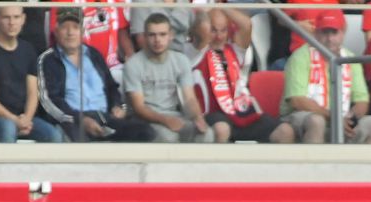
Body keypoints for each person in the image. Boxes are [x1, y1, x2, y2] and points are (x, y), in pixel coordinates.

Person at [37, 8, 153, 142]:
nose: (70, 33)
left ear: (82, 30)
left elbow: (111, 87)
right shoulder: (48, 59)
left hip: (105, 117)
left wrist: (118, 106)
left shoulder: (93, 54)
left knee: (145, 132)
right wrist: (81, 120)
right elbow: (49, 101)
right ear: (56, 31)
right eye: (64, 27)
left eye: (75, 27)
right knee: (81, 145)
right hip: (72, 121)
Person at [280, 10, 371, 143]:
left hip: (341, 120)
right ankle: (315, 164)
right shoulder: (300, 56)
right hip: (303, 119)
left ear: (343, 33)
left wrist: (350, 119)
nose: (329, 38)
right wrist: (334, 118)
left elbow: (362, 100)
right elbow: (297, 101)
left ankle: (361, 164)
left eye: (334, 32)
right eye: (324, 32)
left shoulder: (350, 58)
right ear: (315, 33)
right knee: (316, 121)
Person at [191, 8, 294, 144]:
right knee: (222, 129)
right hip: (214, 114)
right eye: (214, 30)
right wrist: (210, 9)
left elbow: (246, 24)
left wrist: (220, 6)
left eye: (223, 30)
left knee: (285, 131)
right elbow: (202, 28)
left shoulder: (234, 50)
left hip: (242, 112)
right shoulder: (197, 52)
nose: (219, 36)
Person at [0, 3, 62, 143]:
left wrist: (27, 119)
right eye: (6, 17)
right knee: (8, 127)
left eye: (16, 17)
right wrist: (13, 120)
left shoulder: (29, 50)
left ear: (23, 19)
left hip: (23, 117)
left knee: (53, 135)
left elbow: (33, 92)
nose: (12, 23)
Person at [123, 13, 215, 143]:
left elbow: (189, 98)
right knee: (168, 138)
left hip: (174, 116)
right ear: (144, 36)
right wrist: (165, 120)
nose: (157, 40)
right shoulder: (133, 64)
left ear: (170, 36)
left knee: (207, 134)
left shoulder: (181, 60)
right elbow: (139, 107)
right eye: (152, 35)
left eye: (162, 34)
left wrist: (197, 118)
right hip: (145, 121)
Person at [51, 0, 132, 82]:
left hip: (112, 67)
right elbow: (59, 36)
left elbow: (122, 31)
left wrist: (132, 60)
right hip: (77, 68)